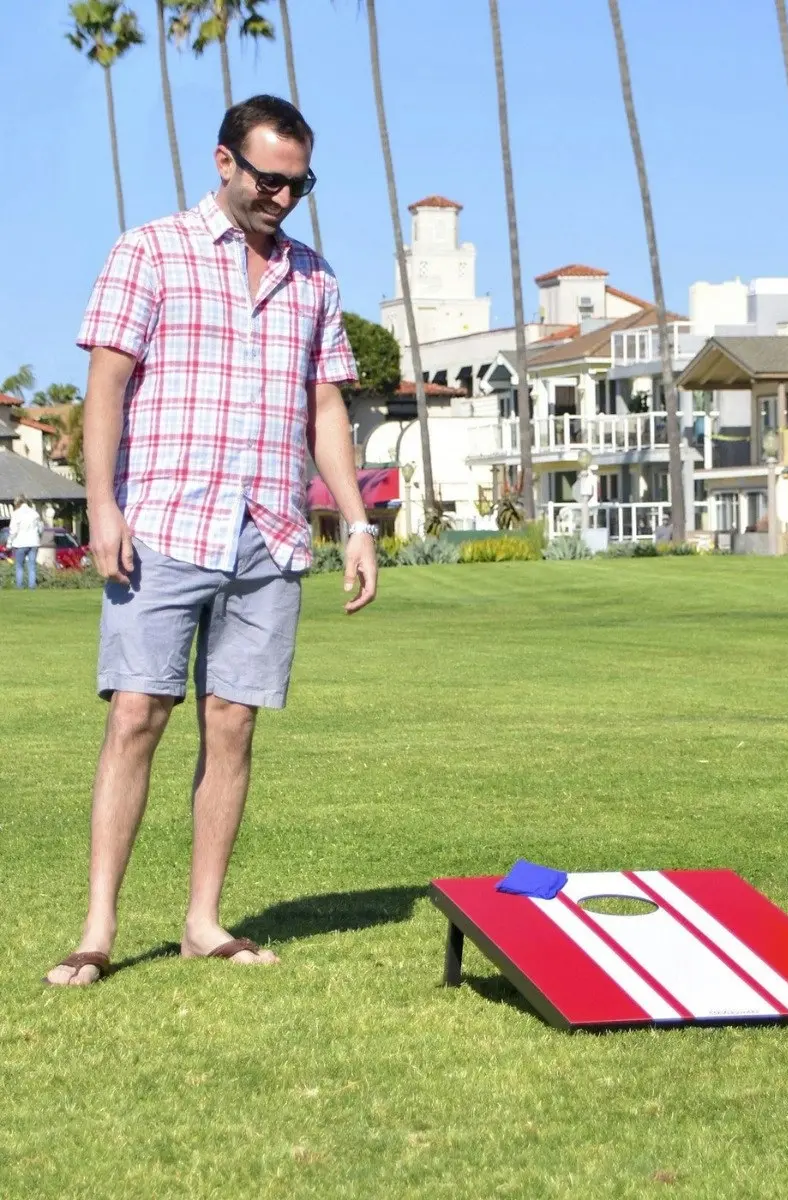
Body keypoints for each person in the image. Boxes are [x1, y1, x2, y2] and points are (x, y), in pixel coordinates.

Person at [45, 95, 378, 987]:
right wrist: (101, 507)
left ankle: (202, 921)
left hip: (269, 532)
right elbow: (105, 388)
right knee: (136, 717)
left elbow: (325, 408)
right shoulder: (148, 251)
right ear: (224, 162)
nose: (282, 197)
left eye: (298, 184)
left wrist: (355, 521)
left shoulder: (315, 277)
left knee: (231, 725)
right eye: (269, 178)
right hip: (163, 524)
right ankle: (98, 929)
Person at [8, 495, 43, 589]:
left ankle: (19, 586)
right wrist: (39, 536)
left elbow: (13, 530)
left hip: (20, 542)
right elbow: (40, 528)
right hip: (33, 542)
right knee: (32, 566)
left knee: (19, 566)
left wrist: (9, 542)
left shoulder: (16, 514)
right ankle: (32, 586)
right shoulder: (34, 513)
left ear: (17, 503)